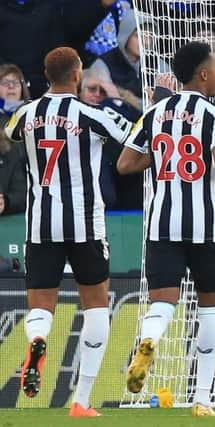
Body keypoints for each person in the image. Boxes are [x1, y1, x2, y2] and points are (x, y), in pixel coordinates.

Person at [116, 41, 215, 417]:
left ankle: (148, 340)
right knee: (210, 312)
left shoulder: (155, 113)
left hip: (162, 224)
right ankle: (203, 399)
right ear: (204, 73)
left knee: (162, 302)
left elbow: (126, 165)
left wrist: (161, 154)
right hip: (207, 229)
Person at [4, 46, 133, 417]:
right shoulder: (92, 115)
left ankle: (39, 339)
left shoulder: (25, 115)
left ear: (46, 76)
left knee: (40, 306)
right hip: (84, 222)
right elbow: (131, 136)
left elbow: (10, 133)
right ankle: (82, 399)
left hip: (41, 223)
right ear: (77, 75)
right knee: (95, 305)